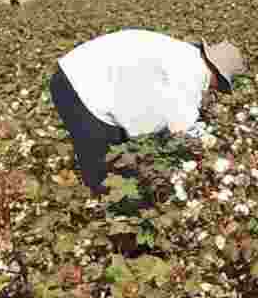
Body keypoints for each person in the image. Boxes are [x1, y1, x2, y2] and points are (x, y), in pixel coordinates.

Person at [50, 29, 245, 195]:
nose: (213, 89)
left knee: (117, 151)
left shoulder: (185, 54)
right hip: (78, 86)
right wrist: (212, 154)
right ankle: (100, 206)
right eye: (218, 86)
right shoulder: (191, 73)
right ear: (218, 75)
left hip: (79, 74)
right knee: (101, 171)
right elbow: (182, 127)